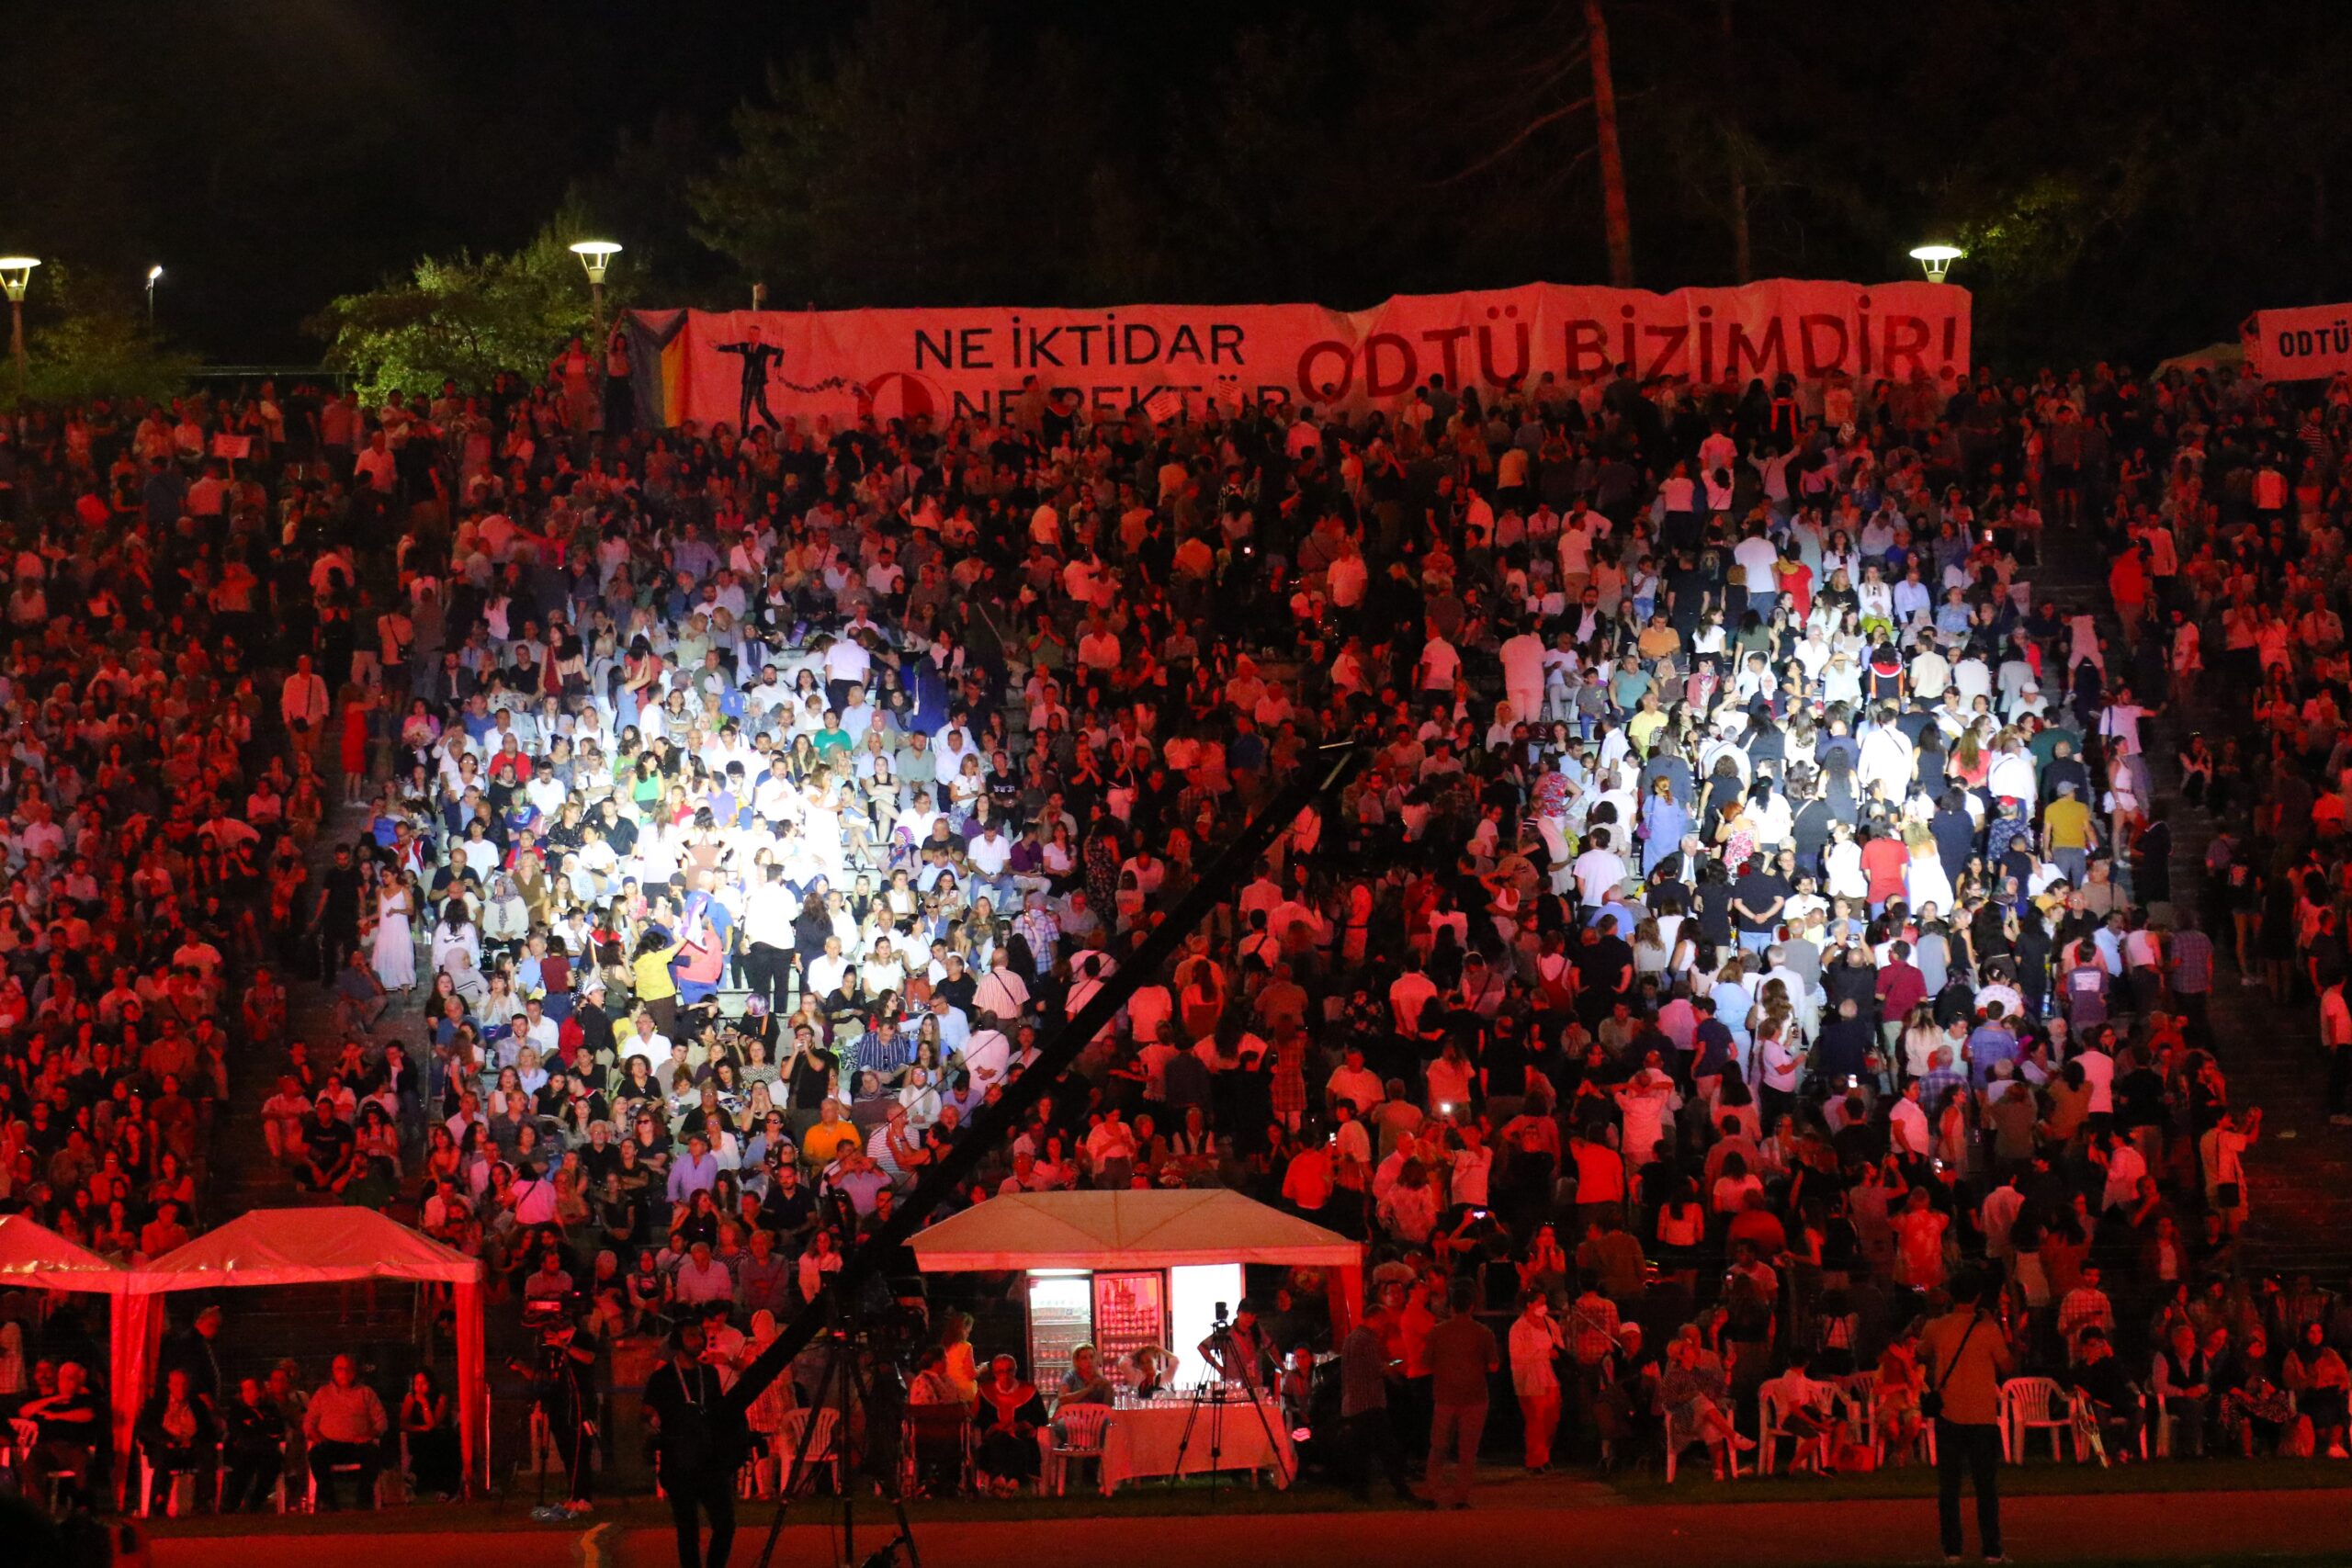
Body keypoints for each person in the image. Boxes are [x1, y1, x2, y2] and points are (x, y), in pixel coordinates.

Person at [1917, 1269, 2013, 1564]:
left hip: (1949, 1412)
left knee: (1949, 1487)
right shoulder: (1987, 1329)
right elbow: (2007, 1365)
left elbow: (1921, 1353)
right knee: (1986, 1487)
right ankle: (1992, 1550)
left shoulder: (1936, 1327)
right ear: (1977, 1297)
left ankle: (1952, 1549)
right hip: (1982, 1415)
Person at [644, 1318, 745, 1568]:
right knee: (687, 1529)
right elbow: (647, 1409)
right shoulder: (663, 1377)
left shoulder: (708, 1374)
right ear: (678, 1342)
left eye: (700, 1335)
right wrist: (651, 1419)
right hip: (678, 1460)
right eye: (691, 1336)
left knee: (725, 1524)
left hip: (709, 1459)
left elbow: (717, 1408)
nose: (699, 1341)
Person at [1422, 1278, 1498, 1509]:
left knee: (1438, 1446)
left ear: (1451, 1307)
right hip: (1475, 1397)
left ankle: (1432, 1492)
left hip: (1445, 1396)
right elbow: (1494, 1366)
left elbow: (1426, 1363)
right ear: (1472, 1307)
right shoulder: (1484, 1332)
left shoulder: (1437, 1331)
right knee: (1468, 1449)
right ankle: (1461, 1496)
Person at [303, 1354, 390, 1509]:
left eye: (348, 1369)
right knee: (315, 1455)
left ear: (354, 1372)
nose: (344, 1373)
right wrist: (316, 1437)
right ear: (333, 1372)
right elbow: (308, 1423)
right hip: (330, 1444)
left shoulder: (366, 1393)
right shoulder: (322, 1394)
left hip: (357, 1445)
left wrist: (370, 1434)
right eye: (339, 1369)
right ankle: (329, 1503)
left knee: (373, 1454)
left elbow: (381, 1420)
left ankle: (363, 1502)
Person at [972, 1354, 1047, 1496]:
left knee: (1015, 1445)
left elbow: (1040, 1417)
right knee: (1000, 1441)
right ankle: (1012, 1480)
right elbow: (979, 1419)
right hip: (994, 1439)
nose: (1005, 1375)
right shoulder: (985, 1392)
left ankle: (1001, 1479)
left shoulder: (1029, 1390)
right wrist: (995, 1426)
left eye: (1009, 1370)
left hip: (1022, 1438)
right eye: (1000, 1371)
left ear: (1015, 1371)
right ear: (994, 1373)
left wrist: (1023, 1425)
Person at [220, 1375, 290, 1513]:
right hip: (244, 1450)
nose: (247, 1392)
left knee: (274, 1463)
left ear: (259, 1391)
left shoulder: (270, 1408)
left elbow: (277, 1428)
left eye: (251, 1389)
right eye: (244, 1389)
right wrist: (262, 1430)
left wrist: (258, 1429)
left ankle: (255, 1502)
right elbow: (239, 1432)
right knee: (243, 1465)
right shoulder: (237, 1411)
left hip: (266, 1451)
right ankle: (231, 1504)